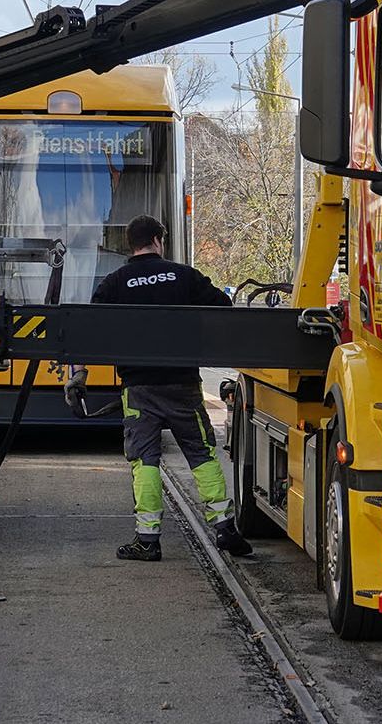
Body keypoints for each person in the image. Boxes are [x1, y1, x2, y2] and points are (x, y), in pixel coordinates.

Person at [83, 214, 253, 562]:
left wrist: (80, 372)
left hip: (139, 387)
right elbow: (223, 307)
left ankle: (147, 541)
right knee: (201, 453)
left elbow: (91, 327)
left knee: (144, 459)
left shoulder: (115, 282)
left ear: (130, 244)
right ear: (159, 240)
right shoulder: (184, 275)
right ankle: (224, 527)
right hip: (183, 385)